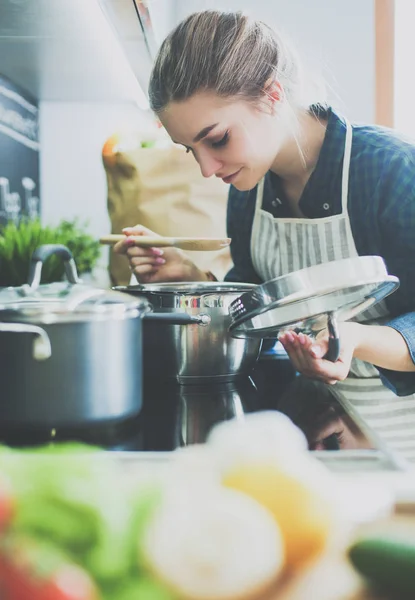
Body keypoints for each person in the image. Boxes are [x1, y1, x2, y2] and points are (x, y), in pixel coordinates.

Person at [114, 9, 415, 456]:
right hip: (341, 437)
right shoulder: (249, 190)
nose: (206, 168)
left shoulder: (390, 170)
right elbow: (262, 314)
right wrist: (193, 280)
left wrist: (352, 339)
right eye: (189, 150)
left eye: (216, 139)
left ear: (272, 95)